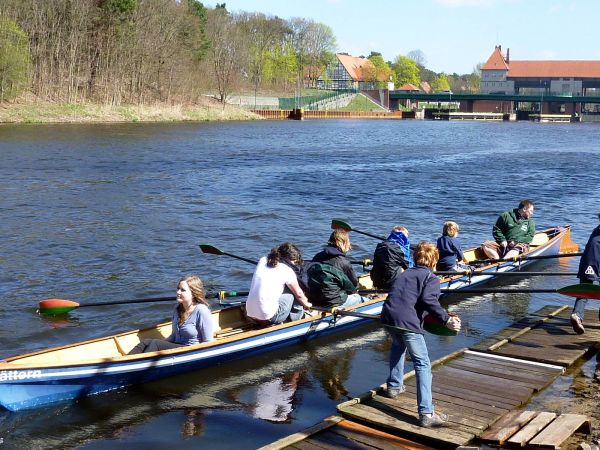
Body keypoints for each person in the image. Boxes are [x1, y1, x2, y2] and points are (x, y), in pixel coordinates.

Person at [380, 241, 461, 428]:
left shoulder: (404, 273)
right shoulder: (430, 278)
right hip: (407, 322)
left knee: (398, 347)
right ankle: (427, 413)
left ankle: (394, 387)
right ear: (434, 260)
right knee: (423, 364)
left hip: (388, 318)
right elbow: (429, 301)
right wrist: (446, 319)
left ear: (416, 257)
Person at [128, 275, 214, 354]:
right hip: (177, 346)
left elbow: (208, 341)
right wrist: (161, 343)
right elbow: (173, 336)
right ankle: (124, 360)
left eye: (182, 290)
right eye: (178, 289)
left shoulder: (201, 310)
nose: (178, 292)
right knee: (147, 342)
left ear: (193, 294)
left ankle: (139, 365)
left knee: (155, 343)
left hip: (190, 350)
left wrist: (157, 345)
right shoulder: (177, 309)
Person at [245, 242, 312, 325]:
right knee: (292, 292)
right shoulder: (287, 270)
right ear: (290, 260)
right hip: (270, 317)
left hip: (250, 314)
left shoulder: (262, 260)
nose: (295, 265)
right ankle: (298, 319)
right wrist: (307, 304)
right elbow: (299, 294)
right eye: (295, 262)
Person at [307, 229, 365, 308]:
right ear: (344, 243)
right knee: (359, 298)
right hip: (334, 302)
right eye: (348, 242)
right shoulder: (344, 262)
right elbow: (354, 287)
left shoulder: (317, 256)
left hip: (314, 299)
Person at [570, 213, 600, 334]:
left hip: (586, 262)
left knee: (584, 290)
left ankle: (576, 314)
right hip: (597, 261)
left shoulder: (596, 229)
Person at [370, 225, 413, 289]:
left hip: (376, 281)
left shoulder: (380, 246)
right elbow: (410, 267)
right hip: (391, 284)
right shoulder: (400, 249)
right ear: (403, 237)